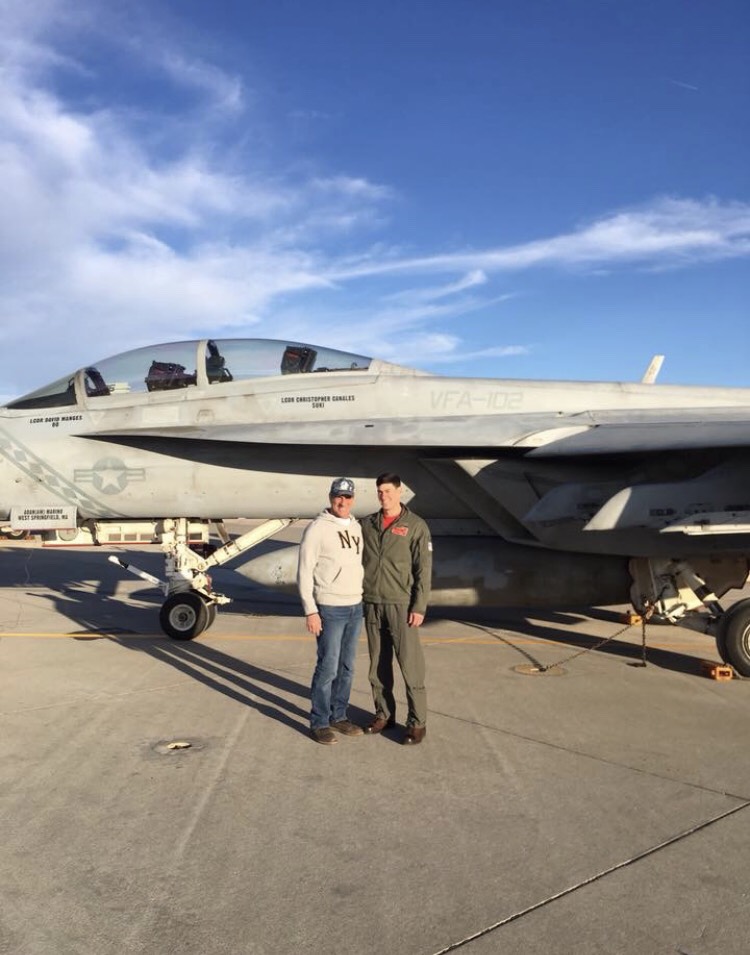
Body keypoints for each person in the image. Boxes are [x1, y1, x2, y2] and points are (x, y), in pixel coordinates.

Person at [361, 472, 432, 745]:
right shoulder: (368, 524)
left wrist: (419, 606)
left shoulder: (415, 526)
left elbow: (423, 570)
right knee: (377, 665)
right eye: (380, 491)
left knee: (410, 665)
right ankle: (384, 714)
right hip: (373, 603)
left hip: (401, 605)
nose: (384, 496)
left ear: (400, 492)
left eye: (389, 491)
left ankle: (417, 723)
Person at [297, 477, 365, 745]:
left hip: (355, 606)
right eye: (338, 496)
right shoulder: (316, 529)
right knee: (328, 667)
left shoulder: (357, 527)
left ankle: (340, 716)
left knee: (347, 667)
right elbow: (304, 571)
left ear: (353, 500)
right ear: (330, 497)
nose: (342, 501)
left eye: (347, 497)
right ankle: (320, 721)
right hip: (330, 607)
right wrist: (310, 610)